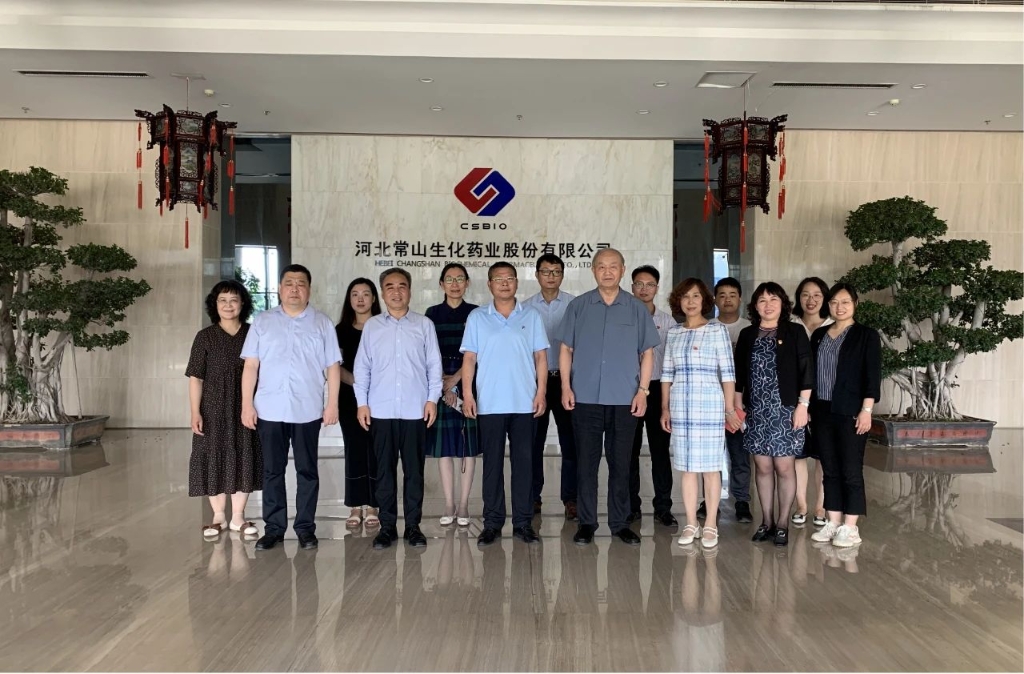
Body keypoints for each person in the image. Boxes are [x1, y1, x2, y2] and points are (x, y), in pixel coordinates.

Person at [557, 248, 660, 547]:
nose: (607, 271)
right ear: (593, 271)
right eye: (601, 266)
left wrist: (643, 391)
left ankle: (620, 522)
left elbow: (647, 353)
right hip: (585, 397)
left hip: (625, 398)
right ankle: (587, 523)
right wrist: (565, 387)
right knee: (586, 463)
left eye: (613, 266)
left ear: (623, 270)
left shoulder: (636, 308)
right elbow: (565, 349)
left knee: (621, 463)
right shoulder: (578, 306)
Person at [241, 264, 342, 551]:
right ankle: (273, 528)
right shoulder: (263, 321)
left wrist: (332, 404)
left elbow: (332, 367)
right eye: (289, 283)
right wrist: (246, 405)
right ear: (279, 288)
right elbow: (251, 366)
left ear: (309, 289)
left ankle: (305, 528)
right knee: (272, 471)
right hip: (269, 409)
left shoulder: (321, 323)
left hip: (307, 409)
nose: (294, 288)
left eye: (301, 283)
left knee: (307, 471)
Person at [460, 262, 549, 547]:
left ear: (516, 283)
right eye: (498, 279)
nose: (504, 283)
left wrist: (541, 393)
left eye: (510, 278)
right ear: (489, 284)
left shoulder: (531, 315)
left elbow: (541, 358)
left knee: (524, 466)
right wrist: (468, 395)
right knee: (492, 466)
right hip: (489, 404)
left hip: (525, 403)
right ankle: (492, 523)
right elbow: (469, 358)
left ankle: (523, 523)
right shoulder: (477, 317)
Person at [354, 267, 443, 550]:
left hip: (416, 410)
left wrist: (432, 399)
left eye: (402, 286)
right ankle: (388, 527)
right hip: (380, 411)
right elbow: (362, 368)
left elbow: (434, 365)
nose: (396, 292)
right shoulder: (372, 326)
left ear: (410, 291)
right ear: (382, 293)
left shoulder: (424, 325)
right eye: (390, 287)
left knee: (414, 473)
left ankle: (413, 527)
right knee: (384, 472)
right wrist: (362, 403)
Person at [660, 278, 738, 550]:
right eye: (685, 297)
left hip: (710, 405)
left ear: (704, 301)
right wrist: (665, 408)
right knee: (687, 468)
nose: (690, 302)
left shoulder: (717, 330)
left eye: (695, 296)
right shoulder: (674, 333)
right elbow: (666, 374)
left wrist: (729, 409)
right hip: (681, 406)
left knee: (710, 468)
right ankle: (691, 522)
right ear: (678, 301)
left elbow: (728, 374)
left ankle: (711, 523)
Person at [733, 282, 813, 548]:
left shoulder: (795, 331)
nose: (768, 305)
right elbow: (739, 375)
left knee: (784, 467)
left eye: (773, 299)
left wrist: (803, 406)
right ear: (755, 306)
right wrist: (738, 407)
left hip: (786, 409)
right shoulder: (747, 334)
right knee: (763, 467)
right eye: (762, 300)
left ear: (783, 304)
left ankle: (782, 524)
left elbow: (806, 370)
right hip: (756, 409)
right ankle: (766, 521)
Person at [187, 280, 263, 539]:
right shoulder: (204, 336)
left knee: (243, 455)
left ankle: (238, 516)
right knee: (213, 455)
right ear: (215, 304)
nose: (228, 305)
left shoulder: (254, 333)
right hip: (212, 408)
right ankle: (218, 516)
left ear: (243, 304)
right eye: (223, 300)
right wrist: (195, 412)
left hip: (246, 406)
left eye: (234, 300)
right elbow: (196, 378)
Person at [810, 283, 881, 549]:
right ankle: (833, 520)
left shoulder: (866, 335)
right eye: (834, 302)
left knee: (850, 469)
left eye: (845, 302)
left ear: (855, 304)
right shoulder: (819, 335)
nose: (839, 307)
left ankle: (850, 527)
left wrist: (866, 410)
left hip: (851, 411)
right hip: (822, 410)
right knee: (829, 469)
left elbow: (872, 376)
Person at [424, 263, 480, 527]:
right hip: (439, 383)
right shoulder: (432, 314)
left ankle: (464, 503)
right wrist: (441, 385)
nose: (455, 284)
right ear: (441, 284)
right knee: (444, 447)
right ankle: (448, 503)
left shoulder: (476, 314)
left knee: (468, 446)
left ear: (467, 283)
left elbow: (478, 351)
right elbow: (427, 352)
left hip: (468, 383)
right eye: (449, 279)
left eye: (460, 279)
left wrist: (456, 380)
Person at [523, 253, 578, 519]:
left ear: (562, 275)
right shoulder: (524, 308)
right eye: (545, 271)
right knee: (534, 442)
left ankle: (571, 498)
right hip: (536, 382)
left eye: (556, 272)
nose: (551, 276)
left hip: (567, 382)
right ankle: (533, 497)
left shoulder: (574, 305)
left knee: (571, 442)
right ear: (537, 275)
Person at [698, 277, 752, 524]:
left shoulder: (749, 328)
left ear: (740, 298)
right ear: (714, 300)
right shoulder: (706, 327)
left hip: (740, 402)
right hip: (710, 401)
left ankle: (741, 501)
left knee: (739, 453)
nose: (727, 299)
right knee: (710, 456)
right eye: (722, 295)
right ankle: (709, 502)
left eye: (732, 294)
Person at [628, 265, 678, 527]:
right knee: (629, 451)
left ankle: (663, 507)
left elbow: (673, 363)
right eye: (639, 284)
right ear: (632, 287)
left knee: (660, 451)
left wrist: (668, 401)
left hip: (658, 390)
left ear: (657, 288)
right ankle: (631, 506)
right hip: (629, 391)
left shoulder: (668, 322)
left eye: (649, 284)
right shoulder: (624, 317)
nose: (644, 289)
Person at [336, 278, 383, 530]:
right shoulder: (340, 330)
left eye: (366, 294)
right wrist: (358, 384)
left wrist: (372, 387)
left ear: (374, 298)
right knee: (354, 449)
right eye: (355, 294)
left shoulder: (383, 327)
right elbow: (333, 366)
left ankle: (374, 504)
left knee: (376, 450)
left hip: (380, 397)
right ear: (349, 299)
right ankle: (355, 505)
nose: (361, 299)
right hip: (349, 398)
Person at [790, 277, 833, 527]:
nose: (811, 300)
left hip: (825, 397)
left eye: (817, 295)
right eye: (805, 294)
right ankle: (801, 504)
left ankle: (821, 506)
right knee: (797, 454)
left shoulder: (833, 325)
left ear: (825, 298)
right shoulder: (791, 325)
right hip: (794, 397)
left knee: (822, 454)